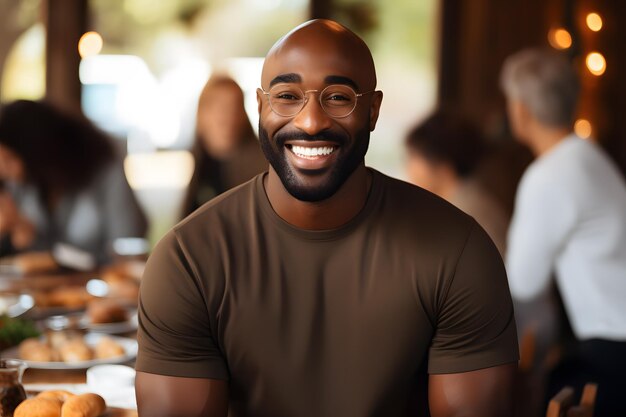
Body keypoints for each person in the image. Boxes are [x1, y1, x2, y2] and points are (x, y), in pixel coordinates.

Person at [136, 19, 518, 417]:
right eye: (287, 95)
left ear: (372, 110)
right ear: (260, 107)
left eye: (338, 97)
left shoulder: (459, 253)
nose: (311, 121)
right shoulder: (187, 261)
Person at [501, 48, 626, 416]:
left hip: (613, 352)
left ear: (520, 109)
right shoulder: (590, 156)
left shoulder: (550, 175)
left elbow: (522, 283)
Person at [0, 100, 148, 266]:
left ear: (37, 151)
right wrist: (20, 234)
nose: (5, 171)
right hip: (49, 289)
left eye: (9, 160)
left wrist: (53, 254)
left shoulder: (103, 168)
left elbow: (126, 249)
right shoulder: (25, 185)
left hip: (101, 285)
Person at [405, 110, 509, 256]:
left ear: (443, 167)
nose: (409, 167)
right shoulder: (465, 201)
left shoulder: (465, 211)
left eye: (414, 157)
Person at [180, 74, 267, 217]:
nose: (225, 117)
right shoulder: (197, 160)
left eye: (233, 107)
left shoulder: (261, 169)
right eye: (217, 107)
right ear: (201, 114)